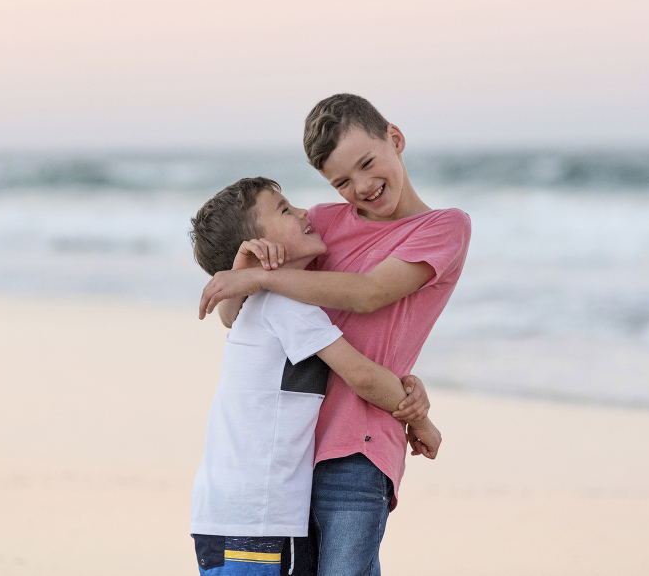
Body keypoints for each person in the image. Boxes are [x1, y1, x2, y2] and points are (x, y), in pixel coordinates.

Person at [199, 94, 472, 576]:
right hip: (291, 456)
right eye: (342, 181)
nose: (363, 187)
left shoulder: (443, 228)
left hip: (359, 446)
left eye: (367, 164)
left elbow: (368, 295)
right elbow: (237, 320)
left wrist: (260, 278)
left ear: (395, 137)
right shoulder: (320, 223)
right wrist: (245, 275)